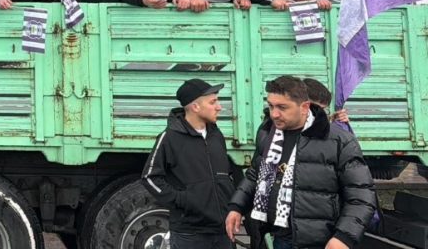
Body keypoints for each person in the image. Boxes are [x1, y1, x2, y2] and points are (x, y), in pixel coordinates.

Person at [226, 76, 376, 249]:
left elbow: (361, 196)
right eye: (271, 106)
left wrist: (343, 237)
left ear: (305, 107)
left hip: (322, 242)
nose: (274, 114)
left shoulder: (340, 141)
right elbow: (255, 174)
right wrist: (237, 206)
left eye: (282, 107)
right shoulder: (268, 133)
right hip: (280, 238)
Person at [142, 79, 235, 249]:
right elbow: (150, 177)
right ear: (195, 107)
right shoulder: (169, 137)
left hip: (222, 231)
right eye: (213, 102)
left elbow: (225, 175)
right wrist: (182, 200)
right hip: (190, 233)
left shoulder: (216, 135)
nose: (219, 107)